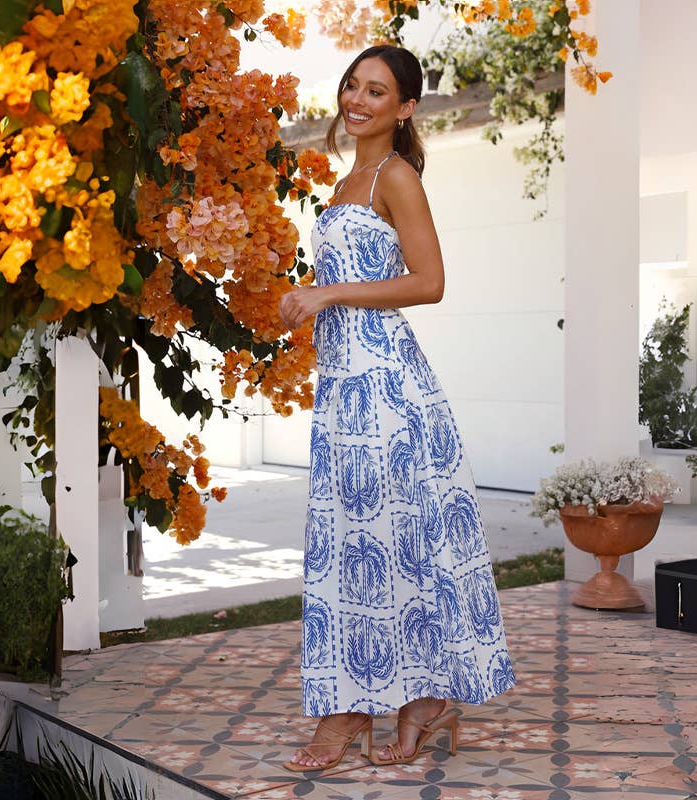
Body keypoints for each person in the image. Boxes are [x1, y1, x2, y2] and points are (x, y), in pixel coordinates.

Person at [278, 44, 516, 772]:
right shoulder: (350, 178)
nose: (357, 99)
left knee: (381, 544)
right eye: (352, 85)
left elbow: (431, 281)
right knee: (362, 545)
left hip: (386, 391)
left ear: (405, 107)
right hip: (345, 387)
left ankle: (367, 714)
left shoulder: (396, 175)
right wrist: (308, 306)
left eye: (376, 91)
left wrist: (326, 293)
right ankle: (402, 706)